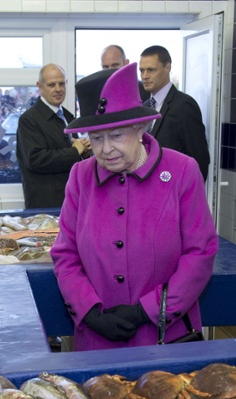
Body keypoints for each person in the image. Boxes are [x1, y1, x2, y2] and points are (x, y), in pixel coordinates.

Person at [49, 63, 218, 352]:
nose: (105, 149)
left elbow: (200, 252)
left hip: (165, 337)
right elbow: (66, 253)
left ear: (140, 128)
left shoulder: (181, 171)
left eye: (116, 136)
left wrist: (147, 311)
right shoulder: (81, 176)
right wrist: (89, 311)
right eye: (96, 138)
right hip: (98, 339)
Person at [16, 63, 91, 209]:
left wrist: (84, 153)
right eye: (51, 85)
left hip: (71, 200)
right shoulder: (29, 120)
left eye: (61, 84)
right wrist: (75, 151)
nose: (58, 89)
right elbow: (35, 159)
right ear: (40, 86)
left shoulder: (68, 117)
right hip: (46, 205)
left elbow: (74, 158)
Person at [140, 45, 211, 181]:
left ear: (168, 68)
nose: (145, 76)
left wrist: (190, 197)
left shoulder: (184, 105)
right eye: (142, 71)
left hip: (175, 190)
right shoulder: (145, 106)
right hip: (148, 190)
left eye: (151, 70)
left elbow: (199, 158)